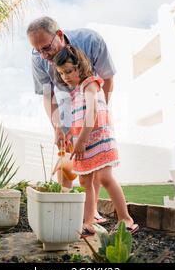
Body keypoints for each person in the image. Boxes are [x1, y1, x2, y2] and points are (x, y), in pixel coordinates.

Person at [27, 16, 115, 224]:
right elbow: (48, 95)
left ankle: (91, 212)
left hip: (93, 97)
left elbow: (108, 79)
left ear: (59, 35)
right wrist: (57, 127)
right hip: (67, 103)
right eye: (38, 50)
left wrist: (99, 114)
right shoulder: (38, 58)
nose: (43, 55)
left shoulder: (91, 41)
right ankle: (65, 208)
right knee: (65, 155)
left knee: (92, 159)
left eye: (46, 48)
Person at [52, 45, 139, 236]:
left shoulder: (90, 84)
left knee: (105, 178)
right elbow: (78, 117)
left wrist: (81, 140)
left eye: (68, 71)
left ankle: (126, 218)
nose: (65, 76)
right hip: (84, 143)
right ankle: (89, 222)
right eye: (61, 73)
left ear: (79, 66)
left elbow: (91, 113)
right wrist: (70, 136)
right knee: (85, 182)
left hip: (98, 140)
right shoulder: (75, 93)